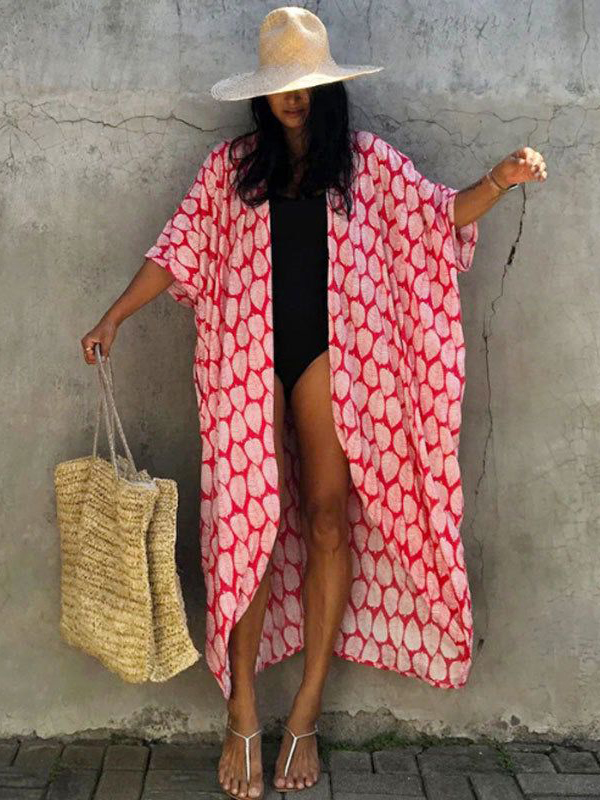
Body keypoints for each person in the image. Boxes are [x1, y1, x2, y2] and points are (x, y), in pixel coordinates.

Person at [80, 6, 547, 799]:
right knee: (250, 529)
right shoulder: (232, 170)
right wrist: (115, 316)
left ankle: (306, 709)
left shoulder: (366, 164)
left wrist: (498, 180)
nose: (294, 97)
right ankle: (242, 709)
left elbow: (436, 219)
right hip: (246, 359)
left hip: (335, 360)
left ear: (328, 90)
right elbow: (176, 250)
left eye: (307, 85)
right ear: (262, 96)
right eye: (282, 86)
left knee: (330, 518)